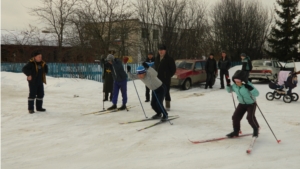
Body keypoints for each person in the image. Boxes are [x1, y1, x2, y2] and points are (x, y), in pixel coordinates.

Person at [226, 70, 260, 138]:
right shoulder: (235, 86)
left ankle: (256, 129)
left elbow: (257, 94)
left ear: (243, 80)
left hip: (251, 104)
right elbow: (229, 91)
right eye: (235, 81)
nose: (237, 82)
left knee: (250, 118)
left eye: (238, 81)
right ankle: (236, 131)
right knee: (235, 117)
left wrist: (251, 89)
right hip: (241, 104)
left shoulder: (248, 85)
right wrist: (228, 85)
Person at [154, 45, 176, 111]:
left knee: (166, 92)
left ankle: (167, 105)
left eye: (162, 50)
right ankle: (159, 105)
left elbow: (173, 69)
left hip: (166, 79)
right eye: (159, 50)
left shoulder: (169, 59)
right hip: (157, 79)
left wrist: (168, 76)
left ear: (165, 51)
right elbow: (155, 68)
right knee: (159, 92)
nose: (161, 51)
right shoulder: (157, 58)